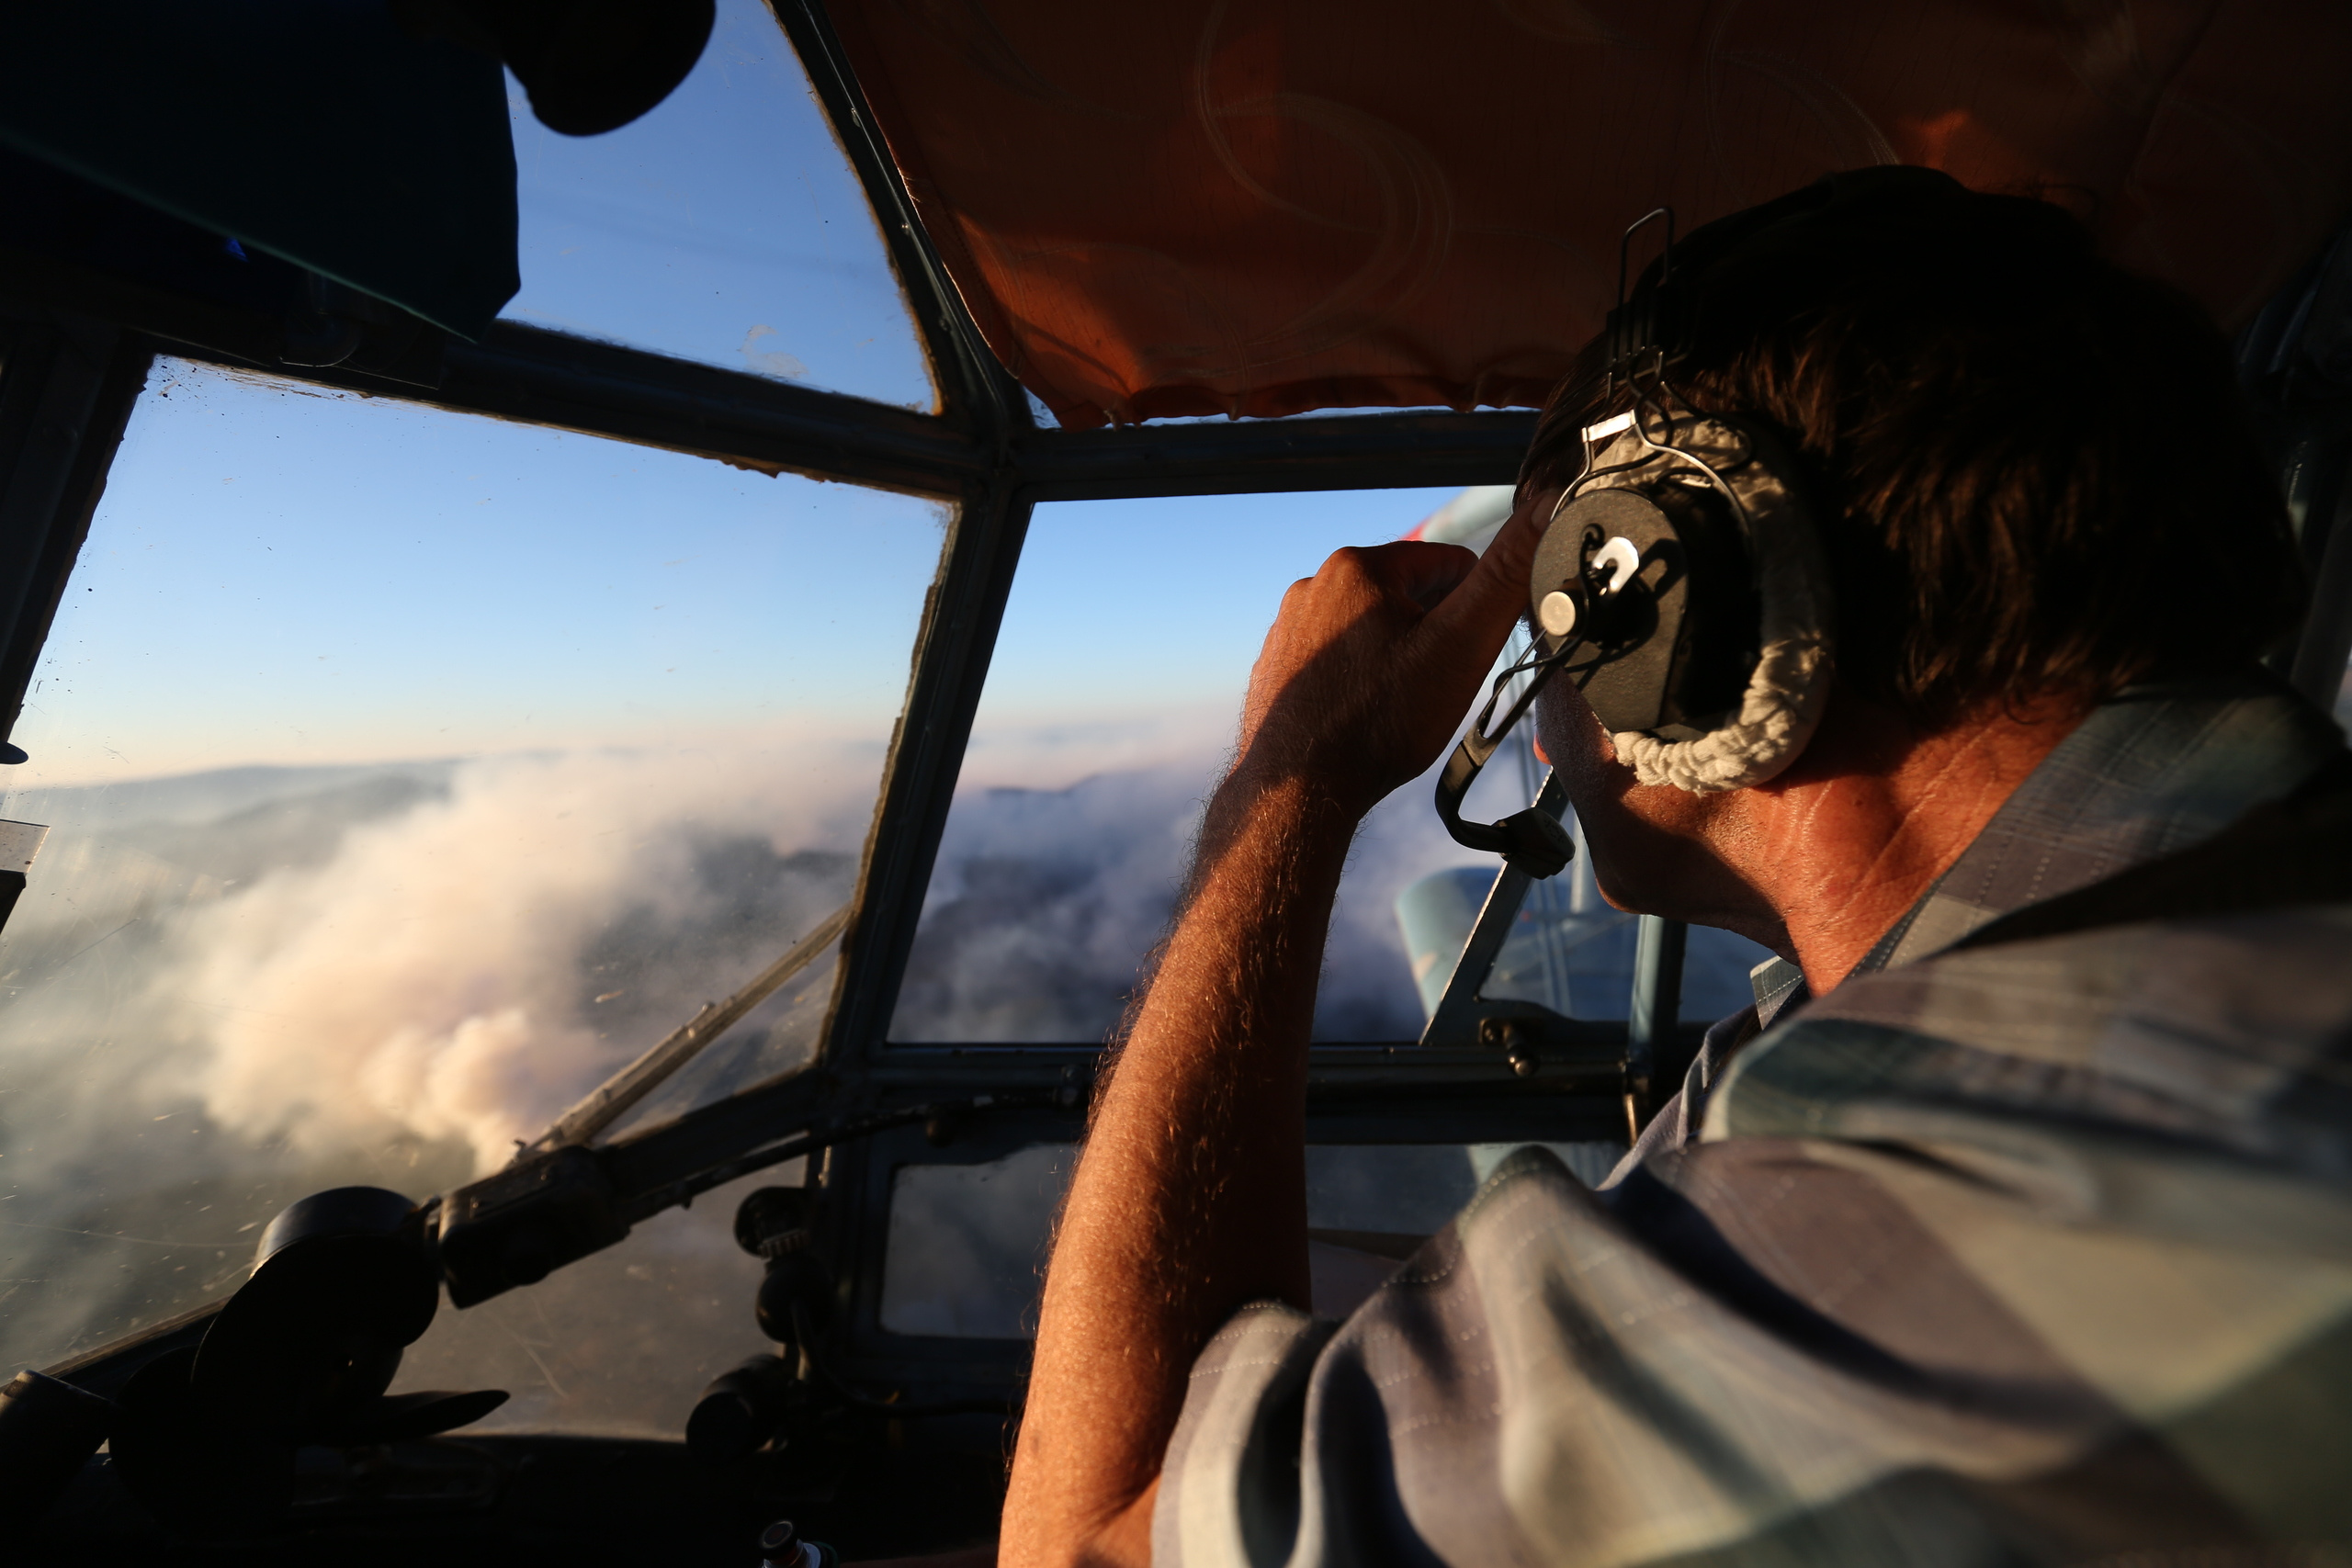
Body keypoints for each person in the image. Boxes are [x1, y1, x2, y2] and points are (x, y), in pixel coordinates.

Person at [999, 168, 2352, 1566]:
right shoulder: (1928, 1004)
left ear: (1670, 607)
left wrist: (1288, 783)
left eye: (1555, 602)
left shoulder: (1906, 1199)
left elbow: (1079, 1542)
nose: (1540, 682)